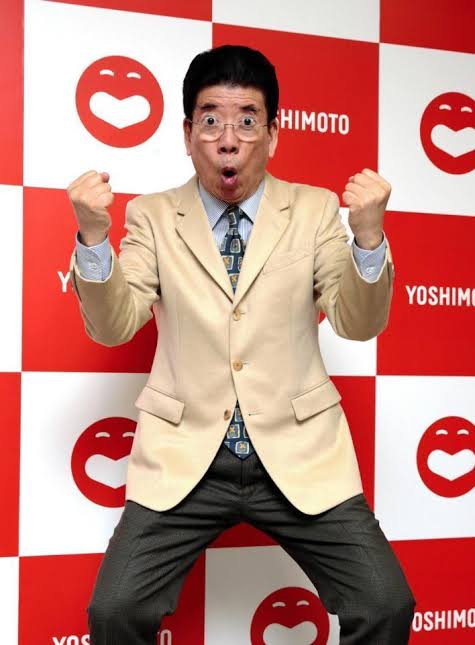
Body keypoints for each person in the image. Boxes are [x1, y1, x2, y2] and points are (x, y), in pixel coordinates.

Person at [67, 45, 416, 644]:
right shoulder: (153, 216)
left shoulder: (313, 211)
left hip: (298, 450)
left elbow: (357, 323)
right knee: (114, 611)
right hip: (186, 456)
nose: (228, 140)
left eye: (247, 120)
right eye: (211, 120)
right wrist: (94, 239)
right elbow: (115, 325)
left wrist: (368, 239)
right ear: (187, 134)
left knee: (385, 602)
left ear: (273, 136)